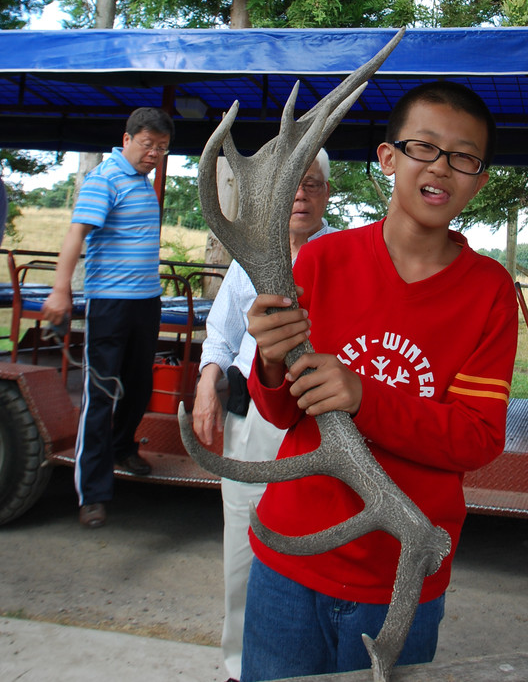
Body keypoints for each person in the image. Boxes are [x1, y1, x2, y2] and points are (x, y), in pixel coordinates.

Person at [241, 81, 518, 681]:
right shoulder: (321, 260)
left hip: (403, 573)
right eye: (423, 147)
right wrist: (268, 361)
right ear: (387, 157)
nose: (441, 167)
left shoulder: (489, 292)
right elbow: (283, 414)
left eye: (463, 156)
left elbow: (476, 438)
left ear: (480, 178)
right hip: (292, 552)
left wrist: (364, 395)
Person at [192, 150, 337, 682]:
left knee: (316, 544)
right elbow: (221, 334)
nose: (302, 193)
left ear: (327, 195)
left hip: (320, 420)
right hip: (253, 416)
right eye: (291, 185)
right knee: (242, 540)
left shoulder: (347, 254)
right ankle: (239, 665)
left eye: (313, 184)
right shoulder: (249, 253)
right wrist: (208, 381)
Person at [42, 106, 174, 529]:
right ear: (127, 140)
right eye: (147, 144)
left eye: (163, 147)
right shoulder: (105, 179)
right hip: (110, 304)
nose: (154, 153)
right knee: (101, 395)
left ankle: (122, 448)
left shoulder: (141, 183)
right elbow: (75, 234)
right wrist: (61, 289)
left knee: (139, 383)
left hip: (145, 302)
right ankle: (93, 494)